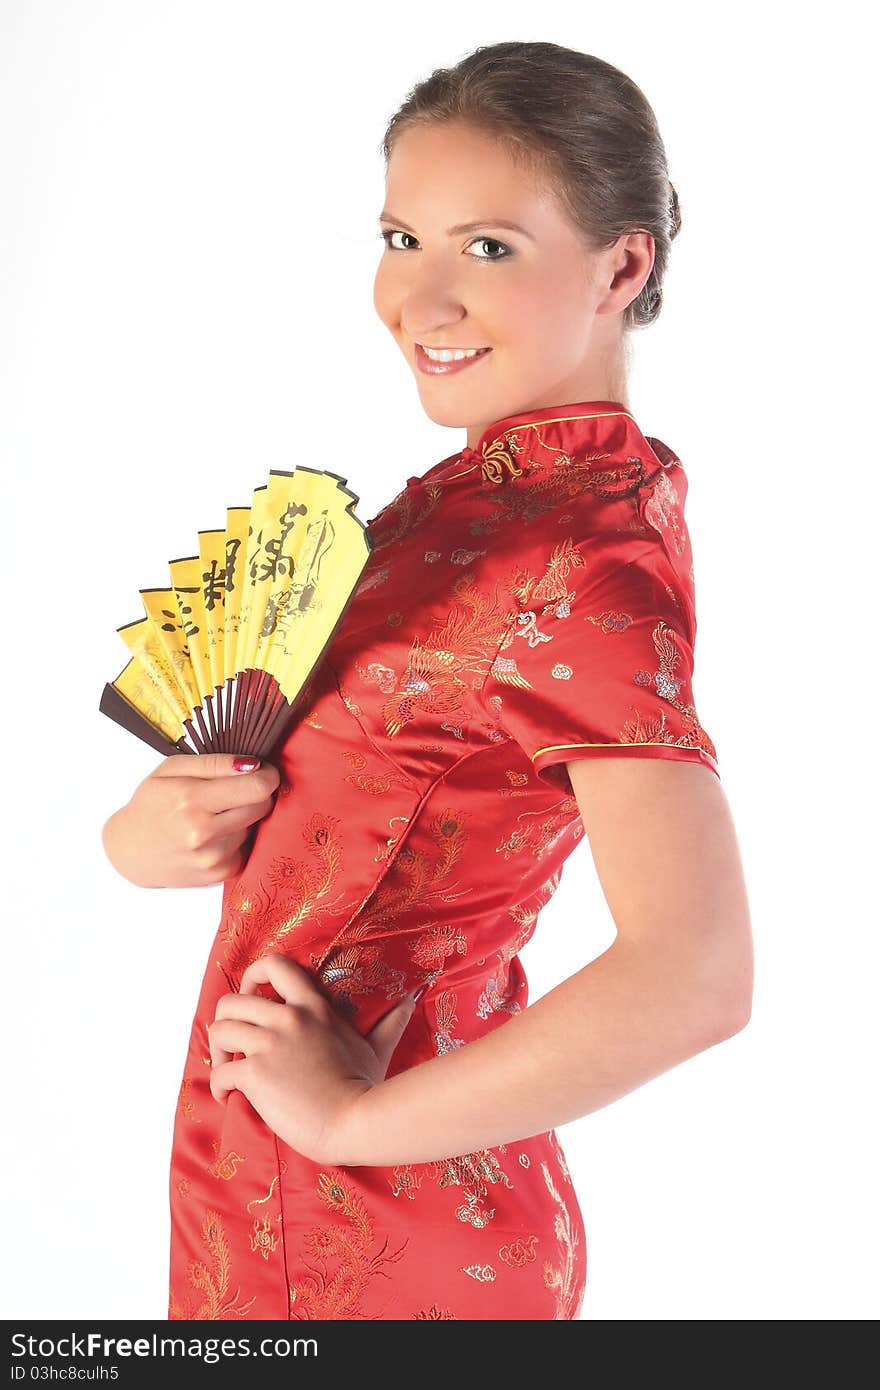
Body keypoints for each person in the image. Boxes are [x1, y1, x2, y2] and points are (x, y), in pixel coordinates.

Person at [102, 40, 753, 1321]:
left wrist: (352, 1118)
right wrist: (152, 834)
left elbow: (697, 973)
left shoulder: (585, 557)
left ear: (624, 266)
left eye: (490, 248)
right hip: (274, 1187)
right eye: (402, 236)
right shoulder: (473, 498)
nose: (421, 299)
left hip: (379, 1223)